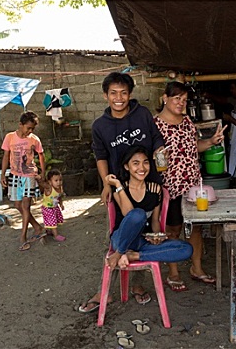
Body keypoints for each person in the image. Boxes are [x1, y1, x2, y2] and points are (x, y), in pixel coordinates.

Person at [81, 72, 165, 311]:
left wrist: (160, 157)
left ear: (130, 94)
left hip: (149, 184)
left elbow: (157, 138)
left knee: (149, 231)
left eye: (124, 93)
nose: (119, 98)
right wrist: (107, 184)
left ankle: (137, 285)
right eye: (113, 93)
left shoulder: (142, 114)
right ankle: (105, 290)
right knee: (122, 231)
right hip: (121, 189)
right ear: (105, 95)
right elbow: (101, 157)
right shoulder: (100, 126)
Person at [79, 146, 193, 313]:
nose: (141, 168)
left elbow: (155, 220)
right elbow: (129, 214)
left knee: (186, 249)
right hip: (121, 238)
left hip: (141, 242)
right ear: (127, 167)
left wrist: (156, 236)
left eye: (145, 162)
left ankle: (130, 255)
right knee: (137, 215)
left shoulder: (155, 190)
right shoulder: (120, 187)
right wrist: (117, 184)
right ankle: (121, 252)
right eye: (136, 163)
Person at [154, 81, 227, 291]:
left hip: (193, 186)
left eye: (184, 100)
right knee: (173, 229)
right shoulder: (155, 124)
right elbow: (153, 158)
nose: (180, 103)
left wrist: (211, 142)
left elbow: (194, 147)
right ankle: (174, 273)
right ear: (165, 98)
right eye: (176, 98)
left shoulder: (187, 121)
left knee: (195, 228)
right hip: (170, 186)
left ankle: (197, 269)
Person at [0, 111, 46, 252]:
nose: (30, 131)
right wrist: (3, 174)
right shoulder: (10, 137)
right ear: (20, 125)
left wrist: (43, 173)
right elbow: (6, 156)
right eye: (28, 128)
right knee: (18, 205)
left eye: (32, 129)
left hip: (29, 175)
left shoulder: (34, 139)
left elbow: (41, 155)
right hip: (14, 175)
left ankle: (23, 236)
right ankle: (38, 228)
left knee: (25, 206)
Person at [37, 169, 66, 242]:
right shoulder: (49, 188)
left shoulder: (60, 188)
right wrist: (39, 179)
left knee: (54, 220)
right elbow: (42, 184)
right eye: (56, 180)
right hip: (48, 208)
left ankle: (48, 230)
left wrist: (61, 204)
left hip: (55, 207)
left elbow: (59, 197)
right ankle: (56, 235)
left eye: (60, 180)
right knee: (53, 222)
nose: (59, 182)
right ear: (50, 182)